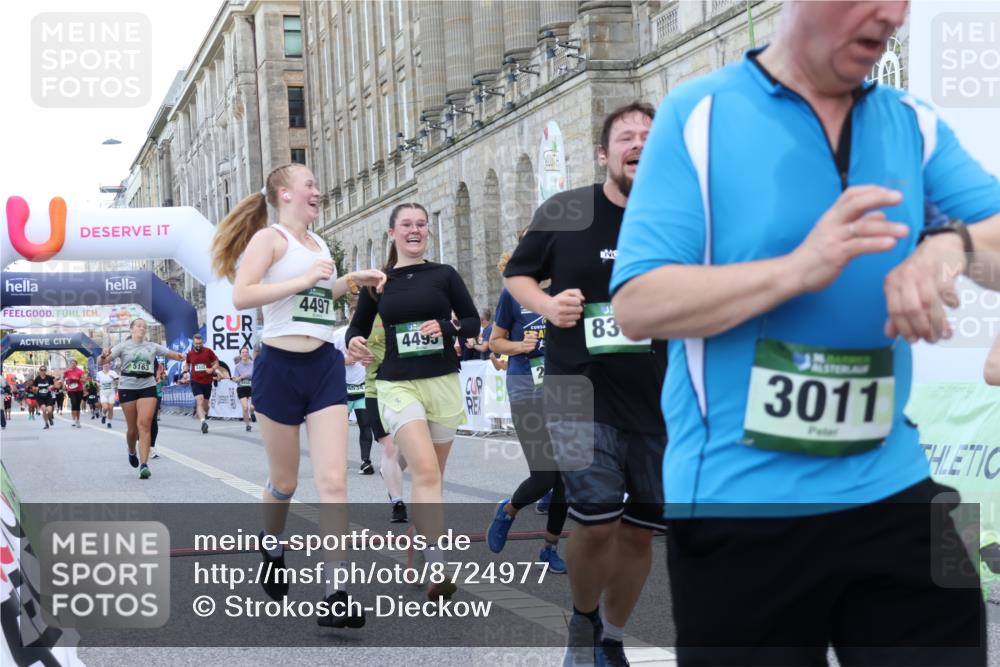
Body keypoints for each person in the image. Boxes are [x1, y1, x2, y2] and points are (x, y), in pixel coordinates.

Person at [610, 4, 1000, 664]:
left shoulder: (912, 124)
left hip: (893, 485)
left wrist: (949, 248)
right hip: (741, 504)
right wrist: (798, 269)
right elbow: (638, 303)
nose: (893, 13)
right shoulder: (697, 115)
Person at [504, 102, 667, 667]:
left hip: (657, 394)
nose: (639, 143)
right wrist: (549, 304)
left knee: (641, 533)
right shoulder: (567, 210)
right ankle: (583, 620)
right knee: (596, 521)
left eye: (650, 135)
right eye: (627, 136)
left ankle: (614, 638)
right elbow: (517, 274)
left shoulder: (678, 214)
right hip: (576, 389)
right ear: (605, 153)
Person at [212, 162, 385, 627]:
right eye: (310, 183)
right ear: (285, 193)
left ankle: (337, 592)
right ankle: (272, 545)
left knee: (333, 481)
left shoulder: (320, 243)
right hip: (279, 369)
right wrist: (306, 280)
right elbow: (244, 296)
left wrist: (354, 281)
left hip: (324, 367)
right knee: (284, 483)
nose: (318, 189)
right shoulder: (270, 239)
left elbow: (321, 296)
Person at [346, 202, 479, 601]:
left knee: (431, 480)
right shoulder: (378, 282)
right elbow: (357, 328)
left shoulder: (445, 275)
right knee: (423, 471)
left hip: (442, 382)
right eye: (407, 224)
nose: (415, 230)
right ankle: (438, 566)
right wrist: (354, 343)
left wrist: (446, 325)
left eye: (421, 224)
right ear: (392, 233)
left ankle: (415, 543)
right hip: (397, 384)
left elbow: (470, 321)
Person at [487, 243, 567, 574]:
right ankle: (508, 510)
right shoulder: (514, 294)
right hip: (526, 390)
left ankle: (549, 548)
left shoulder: (568, 289)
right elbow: (494, 341)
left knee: (567, 478)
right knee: (545, 475)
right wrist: (520, 346)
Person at [98, 319, 185, 479]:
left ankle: (144, 465)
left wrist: (182, 356)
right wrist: (102, 357)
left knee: (144, 424)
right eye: (139, 325)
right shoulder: (122, 346)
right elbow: (102, 361)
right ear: (131, 329)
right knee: (133, 429)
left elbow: (170, 353)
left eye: (145, 326)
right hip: (128, 387)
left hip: (147, 386)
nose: (142, 328)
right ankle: (131, 451)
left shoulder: (152, 346)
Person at [363, 315, 408, 523]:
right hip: (375, 390)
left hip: (406, 388)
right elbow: (347, 342)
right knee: (390, 446)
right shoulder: (367, 312)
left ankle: (389, 472)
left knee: (408, 449)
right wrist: (355, 349)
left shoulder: (408, 306)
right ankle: (397, 502)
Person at [332, 325, 375, 474]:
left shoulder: (370, 332)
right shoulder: (338, 335)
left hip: (362, 387)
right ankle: (338, 462)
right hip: (342, 388)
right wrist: (344, 360)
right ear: (350, 316)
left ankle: (366, 462)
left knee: (365, 425)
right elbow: (326, 357)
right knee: (340, 429)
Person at [183, 334, 219, 433]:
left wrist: (212, 369)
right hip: (195, 381)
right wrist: (185, 372)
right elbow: (187, 364)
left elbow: (216, 363)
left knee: (206, 406)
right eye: (196, 344)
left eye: (200, 343)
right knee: (200, 400)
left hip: (207, 381)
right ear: (193, 343)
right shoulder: (190, 354)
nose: (198, 345)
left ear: (202, 342)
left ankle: (204, 415)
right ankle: (203, 422)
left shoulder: (208, 351)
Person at [231, 347, 255, 432]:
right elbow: (235, 379)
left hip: (252, 387)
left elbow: (255, 375)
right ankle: (248, 425)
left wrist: (246, 375)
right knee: (245, 408)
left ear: (248, 354)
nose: (244, 354)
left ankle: (252, 413)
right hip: (241, 388)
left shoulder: (253, 364)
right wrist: (239, 378)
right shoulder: (237, 366)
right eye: (243, 352)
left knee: (252, 407)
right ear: (240, 355)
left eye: (246, 352)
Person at [62, 358, 86, 428]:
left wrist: (77, 379)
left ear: (76, 364)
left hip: (79, 390)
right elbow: (63, 378)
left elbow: (84, 380)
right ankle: (73, 420)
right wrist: (63, 385)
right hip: (71, 390)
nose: (72, 365)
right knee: (74, 403)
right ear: (70, 364)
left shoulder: (80, 371)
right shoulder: (67, 371)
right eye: (71, 363)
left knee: (77, 405)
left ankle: (78, 420)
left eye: (74, 363)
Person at [150, 361, 165, 458]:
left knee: (152, 419)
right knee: (140, 422)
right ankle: (138, 443)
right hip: (140, 392)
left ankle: (152, 447)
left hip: (156, 394)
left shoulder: (158, 365)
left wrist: (159, 377)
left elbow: (162, 377)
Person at [97, 362, 119, 427]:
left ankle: (109, 422)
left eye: (107, 364)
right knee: (105, 407)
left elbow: (118, 381)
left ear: (109, 365)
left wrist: (114, 379)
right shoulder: (99, 373)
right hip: (103, 392)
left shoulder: (113, 373)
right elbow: (97, 382)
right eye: (104, 364)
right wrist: (98, 385)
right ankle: (104, 415)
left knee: (111, 408)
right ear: (102, 365)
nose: (106, 365)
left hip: (111, 392)